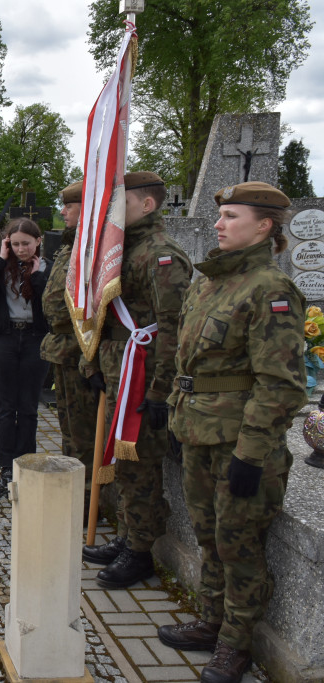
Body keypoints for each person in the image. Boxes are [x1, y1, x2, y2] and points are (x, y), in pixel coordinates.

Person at [158, 182, 304, 683]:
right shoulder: (210, 281)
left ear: (264, 226)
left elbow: (279, 385)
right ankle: (212, 620)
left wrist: (252, 453)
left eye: (231, 216)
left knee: (239, 546)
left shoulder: (270, 289)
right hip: (199, 432)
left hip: (240, 443)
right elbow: (189, 357)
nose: (218, 224)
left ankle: (234, 647)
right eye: (220, 215)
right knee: (208, 537)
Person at [80, 172, 192, 588]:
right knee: (125, 466)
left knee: (140, 466)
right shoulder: (126, 249)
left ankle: (141, 551)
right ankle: (129, 534)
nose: (111, 212)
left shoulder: (162, 255)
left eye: (120, 204)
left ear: (147, 205)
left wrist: (163, 390)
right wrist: (95, 365)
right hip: (121, 373)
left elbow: (173, 327)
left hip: (144, 381)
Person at [0, 218, 50, 481]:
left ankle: (26, 459)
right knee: (5, 405)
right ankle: (6, 463)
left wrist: (38, 276)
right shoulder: (2, 267)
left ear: (38, 241)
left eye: (26, 243)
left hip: (34, 339)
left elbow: (51, 303)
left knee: (28, 406)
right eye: (15, 244)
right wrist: (0, 256)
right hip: (5, 339)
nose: (21, 249)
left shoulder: (47, 269)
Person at [40, 182, 97, 487]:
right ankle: (73, 490)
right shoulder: (69, 244)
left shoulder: (92, 246)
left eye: (69, 207)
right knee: (68, 425)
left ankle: (86, 496)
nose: (63, 212)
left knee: (82, 430)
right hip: (61, 346)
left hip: (79, 348)